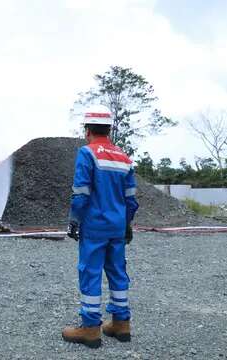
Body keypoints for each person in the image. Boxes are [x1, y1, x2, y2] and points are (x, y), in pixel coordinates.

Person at [62, 105, 139, 348]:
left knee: (90, 272)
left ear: (87, 130)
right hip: (117, 227)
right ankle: (121, 324)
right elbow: (131, 200)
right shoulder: (124, 157)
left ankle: (91, 328)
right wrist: (126, 223)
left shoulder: (87, 153)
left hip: (94, 227)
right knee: (118, 272)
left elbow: (82, 193)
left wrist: (75, 219)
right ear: (109, 129)